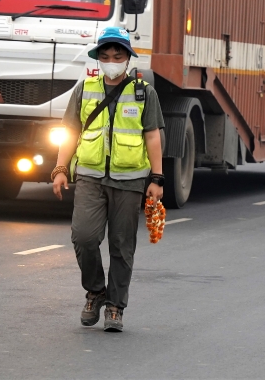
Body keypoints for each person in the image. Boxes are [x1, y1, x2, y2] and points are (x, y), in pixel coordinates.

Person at [51, 26, 166, 332]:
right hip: (89, 177)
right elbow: (70, 131)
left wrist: (157, 177)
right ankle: (95, 291)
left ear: (128, 58)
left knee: (121, 245)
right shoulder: (85, 88)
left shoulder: (144, 92)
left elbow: (153, 136)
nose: (112, 60)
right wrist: (61, 169)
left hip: (128, 181)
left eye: (118, 55)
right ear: (98, 59)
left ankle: (115, 306)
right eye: (106, 55)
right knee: (84, 237)